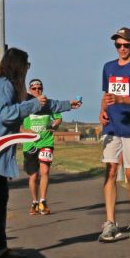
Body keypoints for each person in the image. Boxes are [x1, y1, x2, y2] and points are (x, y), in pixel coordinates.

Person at [0, 48, 81, 258]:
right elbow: (6, 115)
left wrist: (65, 105)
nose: (28, 69)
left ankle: (0, 249)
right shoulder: (2, 86)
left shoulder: (13, 88)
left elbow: (40, 105)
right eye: (27, 65)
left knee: (0, 199)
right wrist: (34, 103)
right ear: (18, 66)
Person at [99, 27, 130, 242]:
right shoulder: (108, 67)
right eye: (118, 45)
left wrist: (120, 100)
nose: (121, 48)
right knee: (110, 172)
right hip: (111, 127)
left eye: (125, 45)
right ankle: (109, 222)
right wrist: (102, 111)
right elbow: (106, 95)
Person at [22, 78, 81, 215]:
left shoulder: (48, 104)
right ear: (30, 90)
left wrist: (55, 125)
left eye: (39, 88)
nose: (37, 90)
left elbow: (58, 117)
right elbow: (17, 123)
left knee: (45, 171)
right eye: (34, 88)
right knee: (33, 175)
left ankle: (43, 201)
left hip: (46, 142)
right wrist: (25, 132)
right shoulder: (24, 105)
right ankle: (34, 202)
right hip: (29, 144)